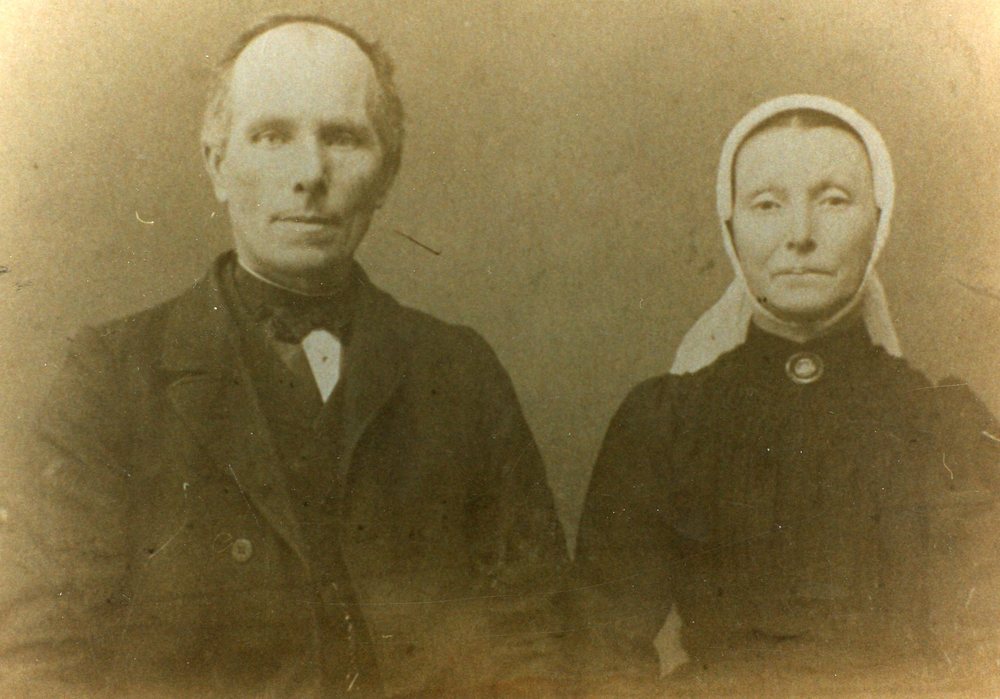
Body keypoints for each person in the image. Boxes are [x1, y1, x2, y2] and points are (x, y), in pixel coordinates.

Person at [0, 15, 567, 697]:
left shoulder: (460, 373)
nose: (308, 174)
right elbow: (39, 658)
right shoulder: (110, 377)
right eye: (272, 136)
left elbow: (536, 643)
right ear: (217, 163)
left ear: (386, 175)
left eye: (343, 138)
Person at [572, 94, 999, 695]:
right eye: (768, 205)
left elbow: (985, 651)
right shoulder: (665, 421)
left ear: (878, 221)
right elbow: (600, 652)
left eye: (833, 201)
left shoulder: (943, 423)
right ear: (731, 229)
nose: (800, 235)